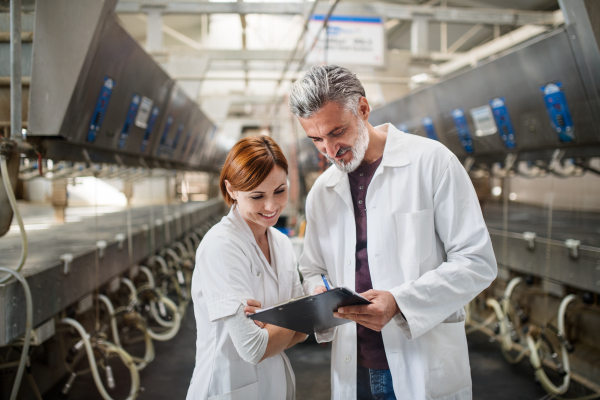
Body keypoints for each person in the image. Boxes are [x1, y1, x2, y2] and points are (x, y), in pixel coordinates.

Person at [289, 65, 497, 400]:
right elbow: (312, 268)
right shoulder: (322, 192)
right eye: (316, 139)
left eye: (336, 132)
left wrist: (400, 301)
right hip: (353, 365)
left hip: (420, 360)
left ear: (364, 109)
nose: (329, 150)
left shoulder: (432, 163)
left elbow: (476, 262)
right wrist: (320, 293)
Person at [186, 135, 307, 400]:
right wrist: (297, 314)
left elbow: (302, 332)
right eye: (257, 196)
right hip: (229, 388)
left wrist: (274, 321)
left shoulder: (282, 243)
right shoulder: (221, 246)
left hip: (275, 386)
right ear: (231, 190)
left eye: (280, 190)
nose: (271, 206)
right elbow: (253, 348)